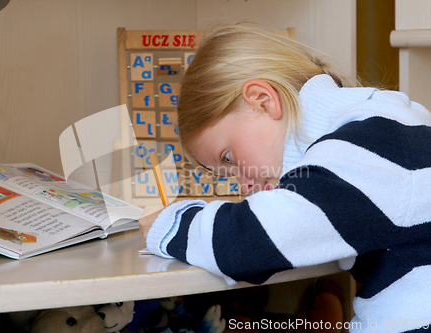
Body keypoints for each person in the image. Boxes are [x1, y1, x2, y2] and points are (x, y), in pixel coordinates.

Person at [139, 25, 431, 332]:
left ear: (262, 101)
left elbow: (249, 244)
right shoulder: (386, 119)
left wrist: (167, 223)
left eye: (229, 158)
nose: (242, 185)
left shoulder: (365, 143)